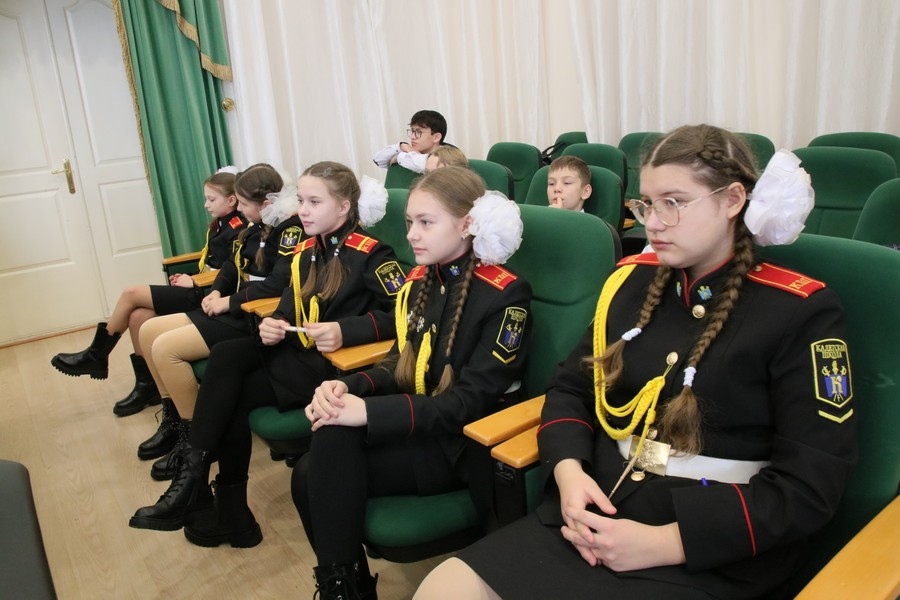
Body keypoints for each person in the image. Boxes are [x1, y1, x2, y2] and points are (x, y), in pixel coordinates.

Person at [415, 125, 857, 600]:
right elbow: (570, 389)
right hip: (598, 505)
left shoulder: (799, 312)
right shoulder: (629, 283)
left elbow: (809, 485)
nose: (653, 223)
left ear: (732, 200)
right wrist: (568, 472)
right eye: (647, 204)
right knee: (444, 588)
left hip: (709, 546)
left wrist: (667, 543)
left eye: (674, 202)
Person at [128, 161, 405, 544]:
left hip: (334, 367)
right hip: (298, 355)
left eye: (314, 202)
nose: (303, 210)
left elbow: (405, 314)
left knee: (228, 382)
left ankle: (209, 496)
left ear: (344, 207)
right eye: (301, 200)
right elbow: (291, 296)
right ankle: (206, 491)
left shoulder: (372, 253)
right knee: (227, 362)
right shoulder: (308, 248)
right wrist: (275, 321)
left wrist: (346, 330)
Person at [291, 166, 531, 599]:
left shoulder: (504, 295)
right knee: (316, 456)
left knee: (313, 469)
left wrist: (369, 412)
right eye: (409, 222)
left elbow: (468, 404)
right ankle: (344, 586)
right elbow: (398, 362)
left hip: (460, 444)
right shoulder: (421, 281)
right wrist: (351, 387)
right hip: (420, 426)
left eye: (426, 222)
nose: (412, 235)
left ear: (468, 224)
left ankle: (343, 589)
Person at [138, 163, 304, 481]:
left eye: (243, 203)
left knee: (165, 349)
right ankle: (173, 420)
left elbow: (279, 283)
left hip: (251, 314)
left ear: (265, 204)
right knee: (148, 332)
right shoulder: (254, 225)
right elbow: (231, 264)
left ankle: (193, 438)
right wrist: (215, 291)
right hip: (234, 305)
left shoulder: (289, 230)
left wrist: (228, 301)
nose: (238, 210)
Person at [50, 167, 248, 420]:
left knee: (131, 293)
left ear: (231, 201)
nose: (205, 204)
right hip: (198, 285)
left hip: (207, 293)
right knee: (138, 316)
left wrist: (194, 280)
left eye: (211, 199)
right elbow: (213, 261)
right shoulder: (220, 224)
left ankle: (96, 355)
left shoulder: (239, 227)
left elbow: (234, 269)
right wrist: (190, 276)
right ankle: (148, 387)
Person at [372, 109, 448, 174]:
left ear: (436, 137)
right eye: (412, 131)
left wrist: (399, 156)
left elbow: (428, 164)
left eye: (419, 132)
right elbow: (378, 160)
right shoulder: (409, 153)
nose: (412, 137)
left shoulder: (449, 156)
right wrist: (402, 146)